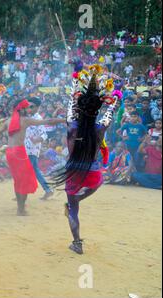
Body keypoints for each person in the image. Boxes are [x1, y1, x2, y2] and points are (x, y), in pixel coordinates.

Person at [56, 64, 122, 254]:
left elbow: (71, 101)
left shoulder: (72, 125)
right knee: (94, 185)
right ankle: (77, 199)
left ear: (81, 106)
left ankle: (77, 243)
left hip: (73, 171)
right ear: (97, 109)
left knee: (73, 210)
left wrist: (76, 81)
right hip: (93, 172)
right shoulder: (100, 128)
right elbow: (111, 111)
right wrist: (115, 97)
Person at [0, 98, 65, 215]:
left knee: (18, 180)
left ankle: (20, 206)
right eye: (27, 107)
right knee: (25, 181)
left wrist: (3, 129)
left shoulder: (8, 120)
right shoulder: (26, 120)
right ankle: (21, 209)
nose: (29, 108)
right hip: (20, 152)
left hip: (10, 152)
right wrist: (65, 119)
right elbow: (50, 121)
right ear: (22, 109)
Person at [24, 98, 54, 200]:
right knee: (34, 170)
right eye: (28, 106)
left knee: (30, 170)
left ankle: (23, 193)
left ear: (37, 107)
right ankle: (48, 189)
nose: (29, 108)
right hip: (26, 148)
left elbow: (44, 135)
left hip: (32, 149)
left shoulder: (38, 119)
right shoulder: (28, 117)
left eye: (31, 106)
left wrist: (37, 139)